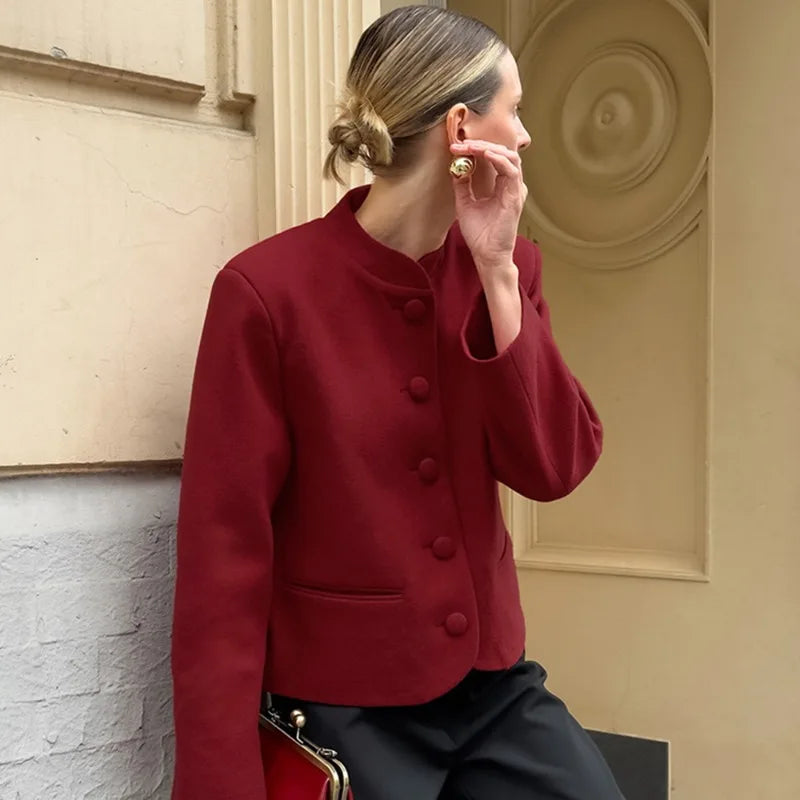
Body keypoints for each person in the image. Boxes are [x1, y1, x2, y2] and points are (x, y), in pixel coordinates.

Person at [171, 6, 622, 800]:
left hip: (493, 690)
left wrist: (498, 276)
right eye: (513, 111)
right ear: (461, 129)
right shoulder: (267, 294)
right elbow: (222, 557)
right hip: (345, 709)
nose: (524, 138)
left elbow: (553, 466)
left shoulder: (510, 267)